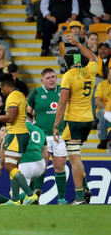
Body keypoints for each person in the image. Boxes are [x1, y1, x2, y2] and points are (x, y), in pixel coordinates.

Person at [0, 73, 38, 205]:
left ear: (5, 86)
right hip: (21, 133)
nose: (1, 91)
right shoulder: (20, 94)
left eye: (1, 88)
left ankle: (30, 194)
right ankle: (15, 199)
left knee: (10, 166)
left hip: (16, 134)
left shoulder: (12, 97)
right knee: (14, 166)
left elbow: (11, 117)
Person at [53, 35, 97, 205]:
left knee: (74, 158)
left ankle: (79, 198)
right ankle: (85, 189)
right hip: (88, 120)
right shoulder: (90, 70)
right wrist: (78, 44)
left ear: (67, 63)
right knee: (76, 156)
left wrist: (56, 125)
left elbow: (62, 102)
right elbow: (93, 57)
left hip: (74, 120)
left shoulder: (69, 76)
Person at [27, 68, 68, 204]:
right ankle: (34, 197)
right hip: (42, 136)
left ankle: (61, 199)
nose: (51, 80)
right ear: (42, 80)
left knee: (60, 167)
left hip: (60, 135)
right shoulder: (36, 92)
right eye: (48, 78)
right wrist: (30, 127)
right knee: (40, 167)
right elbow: (28, 111)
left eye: (53, 77)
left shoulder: (63, 91)